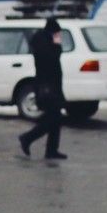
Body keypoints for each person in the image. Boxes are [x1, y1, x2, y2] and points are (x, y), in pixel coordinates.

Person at [19, 16, 68, 161]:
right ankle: (27, 138)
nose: (59, 36)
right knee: (53, 119)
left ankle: (51, 150)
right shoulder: (43, 43)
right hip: (47, 86)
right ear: (52, 32)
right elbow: (51, 59)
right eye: (57, 33)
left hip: (51, 85)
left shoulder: (43, 40)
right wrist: (57, 45)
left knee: (55, 118)